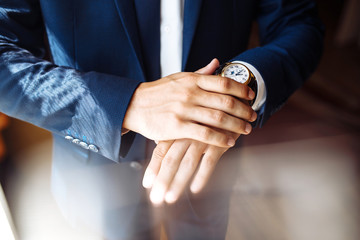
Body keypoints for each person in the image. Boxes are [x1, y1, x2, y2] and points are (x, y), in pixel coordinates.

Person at [0, 0, 324, 239]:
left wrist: (230, 92)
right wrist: (129, 105)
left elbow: (297, 21)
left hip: (211, 167)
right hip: (93, 176)